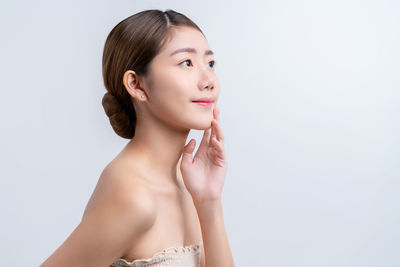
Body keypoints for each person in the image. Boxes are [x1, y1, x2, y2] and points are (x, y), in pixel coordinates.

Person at [40, 9, 234, 267]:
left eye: (210, 63)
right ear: (136, 85)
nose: (209, 80)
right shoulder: (133, 195)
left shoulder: (185, 180)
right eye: (186, 63)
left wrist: (209, 202)